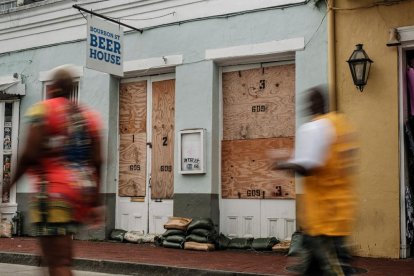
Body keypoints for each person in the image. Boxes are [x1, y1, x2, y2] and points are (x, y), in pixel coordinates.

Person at [3, 67, 104, 276]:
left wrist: (8, 185)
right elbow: (98, 160)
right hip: (79, 193)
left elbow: (29, 154)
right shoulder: (88, 117)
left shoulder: (43, 111)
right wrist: (95, 201)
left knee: (59, 263)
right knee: (58, 257)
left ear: (53, 88)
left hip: (52, 194)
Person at [272, 86, 358, 276]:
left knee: (336, 270)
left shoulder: (316, 127)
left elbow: (308, 168)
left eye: (309, 102)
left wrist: (283, 164)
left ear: (317, 103)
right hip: (337, 212)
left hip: (323, 219)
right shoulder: (341, 124)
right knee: (313, 269)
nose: (307, 107)